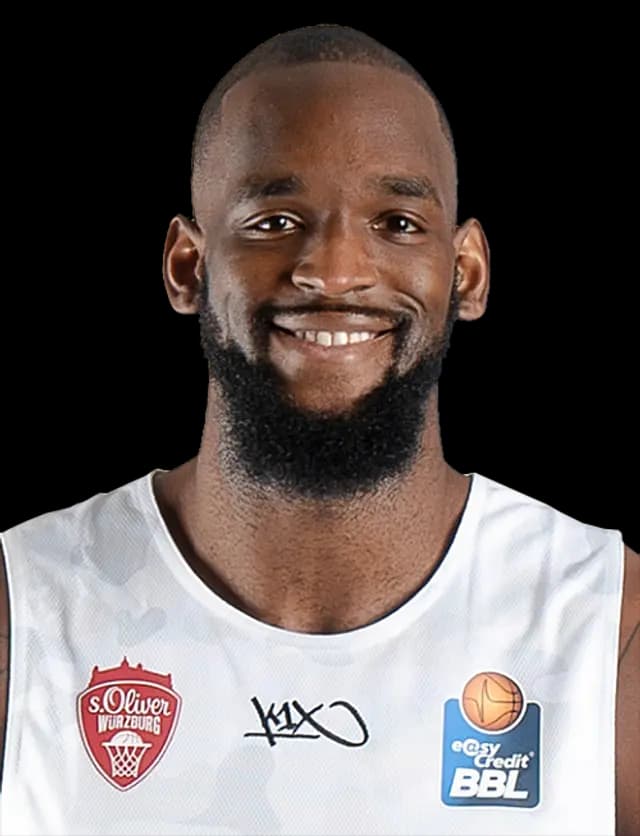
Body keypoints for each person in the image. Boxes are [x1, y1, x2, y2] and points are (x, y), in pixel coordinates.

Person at [0, 22, 637, 836]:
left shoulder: (608, 626)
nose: (334, 272)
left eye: (397, 223)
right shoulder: (25, 611)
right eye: (274, 221)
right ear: (188, 267)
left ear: (466, 272)